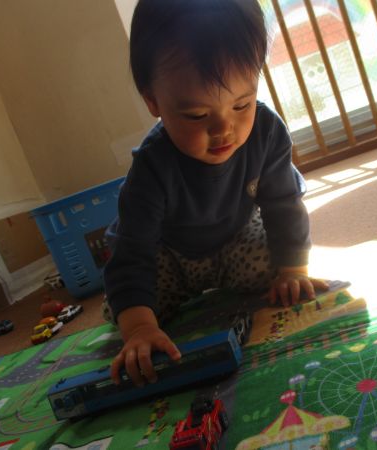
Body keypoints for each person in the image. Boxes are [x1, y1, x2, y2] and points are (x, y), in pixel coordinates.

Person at [103, 0, 328, 386]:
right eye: (197, 115)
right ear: (153, 101)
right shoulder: (151, 167)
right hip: (170, 257)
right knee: (124, 305)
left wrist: (293, 270)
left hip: (235, 239)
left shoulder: (267, 132)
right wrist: (139, 327)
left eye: (242, 104)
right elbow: (133, 250)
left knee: (280, 271)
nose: (224, 129)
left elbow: (283, 204)